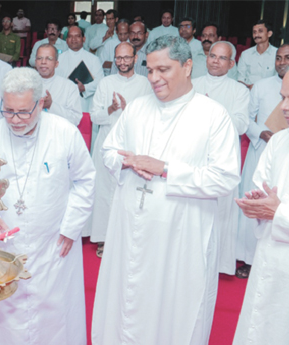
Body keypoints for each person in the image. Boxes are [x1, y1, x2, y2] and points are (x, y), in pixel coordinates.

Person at [91, 36, 241, 345]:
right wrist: (127, 162)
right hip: (130, 225)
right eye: (150, 70)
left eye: (164, 69)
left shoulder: (213, 115)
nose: (155, 78)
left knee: (172, 308)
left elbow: (225, 178)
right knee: (126, 297)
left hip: (180, 234)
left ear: (187, 66)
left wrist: (167, 169)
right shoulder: (136, 110)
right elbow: (109, 150)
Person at [0, 67, 94, 345]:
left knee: (54, 311)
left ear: (40, 103)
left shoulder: (64, 132)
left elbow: (86, 180)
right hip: (6, 244)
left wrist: (70, 228)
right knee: (8, 309)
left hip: (53, 242)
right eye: (8, 111)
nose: (15, 120)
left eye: (23, 112)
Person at [233, 59, 289, 344]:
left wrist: (279, 213)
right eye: (283, 97)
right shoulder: (280, 142)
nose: (283, 106)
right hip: (269, 265)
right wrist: (257, 207)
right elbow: (264, 200)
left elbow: (277, 211)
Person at [236, 43, 289, 279]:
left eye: (288, 57)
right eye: (278, 58)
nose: (282, 62)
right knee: (258, 198)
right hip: (263, 149)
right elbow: (246, 117)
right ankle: (250, 259)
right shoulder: (262, 86)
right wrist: (262, 133)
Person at [87, 42, 152, 257]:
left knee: (130, 192)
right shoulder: (105, 83)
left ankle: (129, 238)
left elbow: (151, 117)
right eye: (118, 58)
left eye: (126, 57)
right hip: (107, 142)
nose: (122, 62)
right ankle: (104, 238)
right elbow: (95, 116)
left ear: (135, 57)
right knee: (105, 191)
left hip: (134, 144)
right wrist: (112, 108)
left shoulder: (145, 83)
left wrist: (127, 110)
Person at [193, 41, 250, 275]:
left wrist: (212, 112)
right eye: (212, 56)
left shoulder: (239, 91)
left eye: (222, 58)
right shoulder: (191, 85)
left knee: (221, 210)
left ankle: (217, 262)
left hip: (223, 156)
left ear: (231, 63)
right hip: (195, 154)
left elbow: (241, 124)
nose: (215, 61)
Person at [55, 26, 104, 113]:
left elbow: (100, 81)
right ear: (66, 40)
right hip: (64, 102)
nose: (73, 39)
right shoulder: (59, 59)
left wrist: (84, 88)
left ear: (83, 38)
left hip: (85, 102)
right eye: (70, 36)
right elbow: (54, 80)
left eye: (77, 36)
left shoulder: (93, 59)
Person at [35, 44, 83, 125]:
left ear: (56, 64)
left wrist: (51, 105)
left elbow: (75, 119)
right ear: (36, 62)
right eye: (40, 58)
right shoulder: (25, 84)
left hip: (59, 134)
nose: (43, 62)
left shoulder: (69, 86)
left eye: (49, 58)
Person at [237, 20, 277, 89]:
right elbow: (240, 78)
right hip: (248, 93)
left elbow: (279, 79)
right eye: (254, 32)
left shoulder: (277, 54)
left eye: (260, 31)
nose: (256, 35)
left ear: (269, 34)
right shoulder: (246, 54)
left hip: (270, 93)